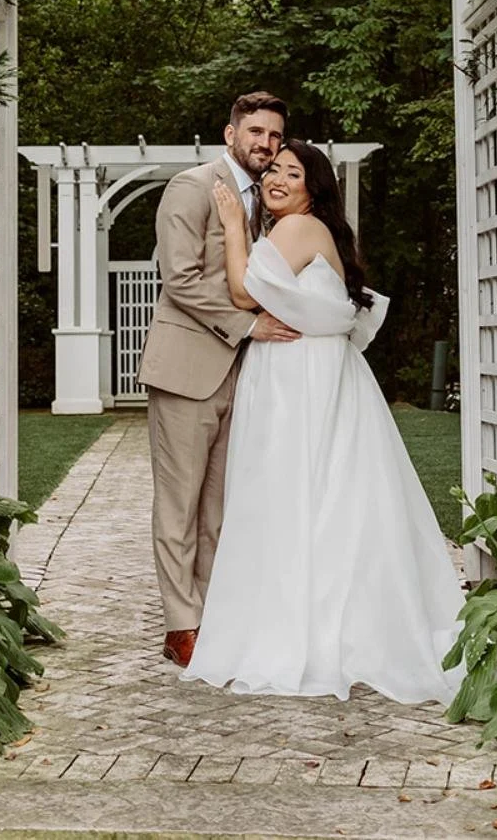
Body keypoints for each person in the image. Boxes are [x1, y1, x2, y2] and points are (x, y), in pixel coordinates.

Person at [180, 139, 467, 704]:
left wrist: (235, 224)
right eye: (273, 171)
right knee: (321, 497)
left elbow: (242, 291)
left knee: (297, 495)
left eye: (293, 172)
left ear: (314, 187)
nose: (277, 179)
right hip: (301, 371)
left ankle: (309, 633)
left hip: (302, 379)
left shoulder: (296, 230)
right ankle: (319, 622)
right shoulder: (302, 231)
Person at [137, 92, 301, 669]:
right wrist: (249, 324)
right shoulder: (191, 187)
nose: (265, 143)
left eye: (275, 136)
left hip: (247, 375)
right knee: (178, 507)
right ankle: (182, 626)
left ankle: (215, 614)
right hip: (188, 370)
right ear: (230, 134)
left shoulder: (270, 200)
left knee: (221, 508)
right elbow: (179, 278)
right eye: (255, 131)